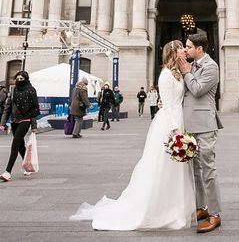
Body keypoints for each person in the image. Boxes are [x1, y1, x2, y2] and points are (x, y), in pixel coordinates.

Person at [70, 41, 195, 229]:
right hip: (170, 123)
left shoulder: (179, 73)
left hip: (178, 119)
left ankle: (175, 206)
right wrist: (175, 130)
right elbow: (167, 104)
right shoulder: (166, 75)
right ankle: (159, 209)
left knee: (175, 168)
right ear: (173, 52)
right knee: (161, 166)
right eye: (181, 48)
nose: (184, 50)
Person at [178, 30, 223, 233]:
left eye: (188, 47)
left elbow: (197, 90)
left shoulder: (211, 67)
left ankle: (215, 214)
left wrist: (186, 71)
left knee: (208, 170)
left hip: (205, 125)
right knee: (196, 170)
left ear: (199, 49)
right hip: (190, 125)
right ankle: (202, 207)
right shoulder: (193, 64)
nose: (186, 49)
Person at [0, 71, 39, 182]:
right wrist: (2, 123)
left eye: (21, 79)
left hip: (25, 120)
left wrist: (34, 125)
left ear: (26, 79)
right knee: (20, 145)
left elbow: (33, 109)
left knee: (15, 144)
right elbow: (7, 108)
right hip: (14, 120)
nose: (19, 80)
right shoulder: (13, 91)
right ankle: (27, 166)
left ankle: (7, 172)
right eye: (17, 78)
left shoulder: (31, 90)